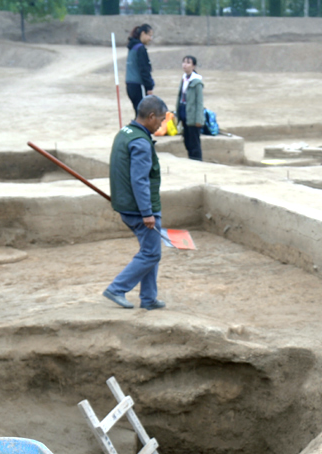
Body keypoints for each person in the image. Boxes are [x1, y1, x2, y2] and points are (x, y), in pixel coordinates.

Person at [102, 95, 168, 311]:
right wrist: (147, 212)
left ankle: (148, 298)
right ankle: (117, 288)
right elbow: (139, 180)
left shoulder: (125, 133)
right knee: (151, 253)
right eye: (160, 119)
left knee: (150, 250)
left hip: (127, 204)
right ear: (150, 117)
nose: (161, 124)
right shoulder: (140, 142)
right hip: (139, 208)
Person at [176, 55, 205, 163]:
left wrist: (199, 119)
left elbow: (199, 102)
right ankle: (191, 160)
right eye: (184, 62)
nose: (185, 65)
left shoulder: (197, 82)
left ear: (193, 66)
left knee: (194, 142)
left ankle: (197, 161)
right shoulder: (184, 79)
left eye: (188, 62)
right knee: (187, 140)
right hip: (184, 112)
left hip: (193, 116)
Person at [125, 24, 154, 115]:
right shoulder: (140, 49)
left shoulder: (132, 47)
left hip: (130, 85)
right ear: (143, 33)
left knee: (138, 113)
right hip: (138, 86)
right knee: (143, 114)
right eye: (149, 35)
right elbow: (144, 69)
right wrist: (149, 87)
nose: (151, 38)